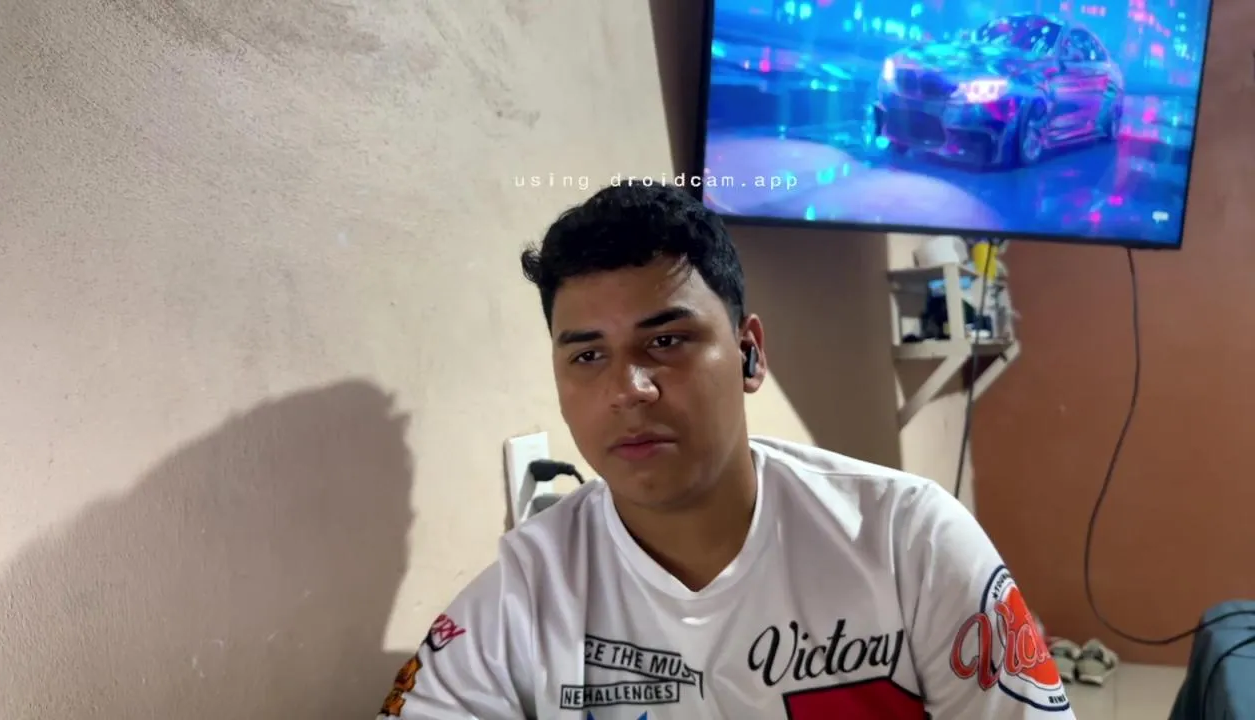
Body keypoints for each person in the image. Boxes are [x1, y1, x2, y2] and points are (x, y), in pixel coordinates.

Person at [374, 182, 1073, 719]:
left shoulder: (909, 539)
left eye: (666, 341)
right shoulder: (526, 592)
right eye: (587, 355)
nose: (628, 389)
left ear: (748, 353)